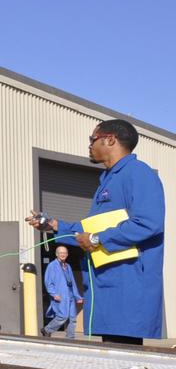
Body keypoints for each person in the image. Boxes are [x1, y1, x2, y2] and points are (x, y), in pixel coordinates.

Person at [26, 119, 164, 345]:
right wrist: (53, 225)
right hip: (108, 286)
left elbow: (148, 223)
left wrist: (98, 239)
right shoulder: (108, 181)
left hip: (127, 286)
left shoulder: (138, 174)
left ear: (110, 139)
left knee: (123, 360)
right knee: (112, 358)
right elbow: (89, 230)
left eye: (93, 139)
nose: (89, 145)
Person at [42, 245, 83, 338]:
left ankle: (70, 337)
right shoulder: (52, 266)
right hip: (60, 295)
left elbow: (72, 282)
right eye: (61, 253)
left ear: (67, 254)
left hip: (70, 295)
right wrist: (53, 294)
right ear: (57, 254)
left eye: (64, 253)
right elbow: (48, 281)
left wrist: (77, 296)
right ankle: (47, 330)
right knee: (63, 316)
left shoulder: (67, 266)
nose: (63, 254)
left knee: (72, 318)